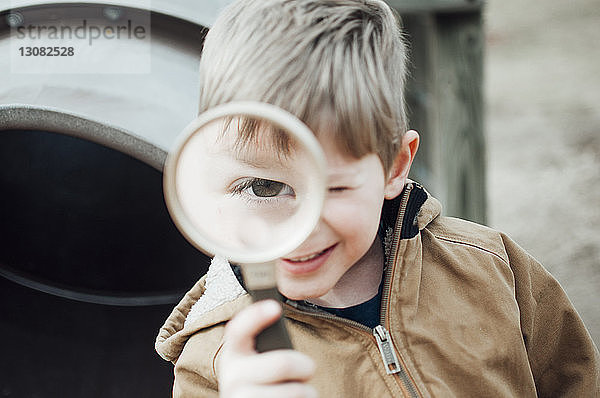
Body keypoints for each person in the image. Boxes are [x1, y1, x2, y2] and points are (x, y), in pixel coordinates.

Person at [155, 0, 600, 396]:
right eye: (264, 187)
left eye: (335, 187)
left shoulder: (495, 269)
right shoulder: (216, 362)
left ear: (395, 166)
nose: (303, 227)